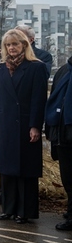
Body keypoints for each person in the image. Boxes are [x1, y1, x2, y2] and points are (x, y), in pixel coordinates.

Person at [0, 24, 52, 206]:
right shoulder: (0, 67)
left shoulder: (36, 67)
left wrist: (35, 126)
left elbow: (38, 100)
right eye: (8, 45)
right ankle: (8, 209)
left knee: (26, 170)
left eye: (15, 44)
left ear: (24, 45)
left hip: (25, 124)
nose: (11, 48)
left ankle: (25, 211)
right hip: (5, 123)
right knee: (6, 169)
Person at [45, 52, 72, 231]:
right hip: (64, 133)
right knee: (68, 177)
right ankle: (71, 212)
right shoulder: (64, 71)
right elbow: (54, 99)